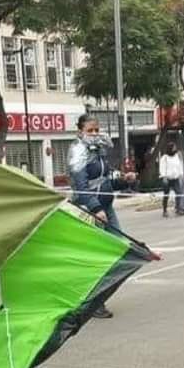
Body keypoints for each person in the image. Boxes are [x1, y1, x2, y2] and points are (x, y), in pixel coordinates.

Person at [69, 114, 135, 319]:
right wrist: (95, 208)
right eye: (90, 131)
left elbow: (105, 180)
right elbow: (81, 187)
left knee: (118, 250)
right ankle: (93, 302)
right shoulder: (78, 151)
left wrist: (124, 181)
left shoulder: (97, 151)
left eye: (97, 130)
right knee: (98, 257)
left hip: (106, 208)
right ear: (80, 131)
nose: (95, 134)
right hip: (92, 211)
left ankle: (95, 299)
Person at [158, 142, 184, 217]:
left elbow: (180, 165)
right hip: (167, 179)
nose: (175, 149)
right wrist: (164, 177)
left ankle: (178, 208)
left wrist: (181, 174)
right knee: (166, 195)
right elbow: (162, 168)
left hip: (175, 178)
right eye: (173, 147)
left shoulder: (177, 156)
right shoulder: (165, 157)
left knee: (179, 193)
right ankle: (165, 210)